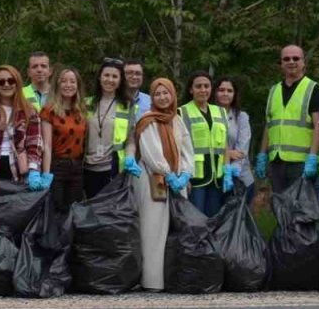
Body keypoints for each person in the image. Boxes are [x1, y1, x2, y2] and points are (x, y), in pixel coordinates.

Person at [123, 78, 194, 292]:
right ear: (152, 97)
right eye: (157, 94)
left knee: (177, 228)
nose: (162, 98)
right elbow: (151, 153)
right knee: (153, 229)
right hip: (153, 179)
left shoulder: (177, 120)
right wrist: (169, 173)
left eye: (166, 93)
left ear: (173, 95)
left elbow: (187, 149)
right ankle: (153, 281)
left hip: (177, 179)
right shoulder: (147, 120)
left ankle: (174, 276)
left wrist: (186, 173)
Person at [255, 45, 319, 193]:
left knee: (299, 211)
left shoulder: (313, 89)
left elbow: (318, 126)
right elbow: (270, 126)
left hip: (301, 162)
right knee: (280, 208)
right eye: (286, 59)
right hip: (276, 161)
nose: (291, 61)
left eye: (296, 58)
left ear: (303, 62)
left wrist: (313, 157)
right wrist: (262, 154)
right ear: (281, 63)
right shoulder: (274, 90)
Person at [0, 64, 43, 188]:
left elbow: (34, 144)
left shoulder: (30, 111)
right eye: (1, 82)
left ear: (17, 83)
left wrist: (34, 171)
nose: (6, 84)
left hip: (20, 171)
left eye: (11, 81)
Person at [180, 71, 231, 217]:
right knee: (196, 219)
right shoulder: (182, 112)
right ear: (191, 90)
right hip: (195, 178)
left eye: (206, 86)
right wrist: (184, 175)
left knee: (213, 218)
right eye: (198, 86)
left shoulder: (220, 112)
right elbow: (179, 147)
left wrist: (227, 169)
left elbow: (225, 144)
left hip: (217, 177)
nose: (203, 90)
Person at [83, 58, 135, 198]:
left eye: (114, 76)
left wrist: (130, 157)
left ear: (120, 81)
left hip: (113, 168)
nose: (110, 80)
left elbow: (131, 139)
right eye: (106, 75)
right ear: (100, 77)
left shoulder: (127, 106)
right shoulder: (86, 103)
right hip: (87, 167)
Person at [40, 67, 89, 210]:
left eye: (72, 82)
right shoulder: (49, 111)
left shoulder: (81, 111)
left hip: (77, 168)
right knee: (55, 212)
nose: (68, 85)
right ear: (57, 84)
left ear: (77, 85)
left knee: (73, 212)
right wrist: (47, 173)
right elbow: (47, 146)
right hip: (57, 166)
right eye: (64, 81)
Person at [215, 77, 254, 204]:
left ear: (234, 94)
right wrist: (227, 153)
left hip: (240, 179)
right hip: (214, 178)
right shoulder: (207, 115)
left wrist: (231, 172)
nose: (225, 93)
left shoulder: (242, 117)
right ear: (215, 92)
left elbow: (242, 150)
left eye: (229, 90)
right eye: (221, 90)